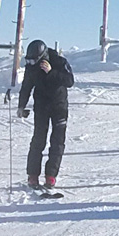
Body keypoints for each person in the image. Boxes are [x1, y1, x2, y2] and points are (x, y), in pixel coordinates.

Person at [17, 39, 74, 190]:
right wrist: (21, 105)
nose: (31, 63)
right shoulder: (31, 67)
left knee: (57, 141)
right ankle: (33, 175)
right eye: (29, 60)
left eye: (34, 60)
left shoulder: (59, 61)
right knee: (38, 140)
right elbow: (26, 86)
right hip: (41, 106)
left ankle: (51, 175)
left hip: (59, 106)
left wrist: (51, 72)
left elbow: (69, 81)